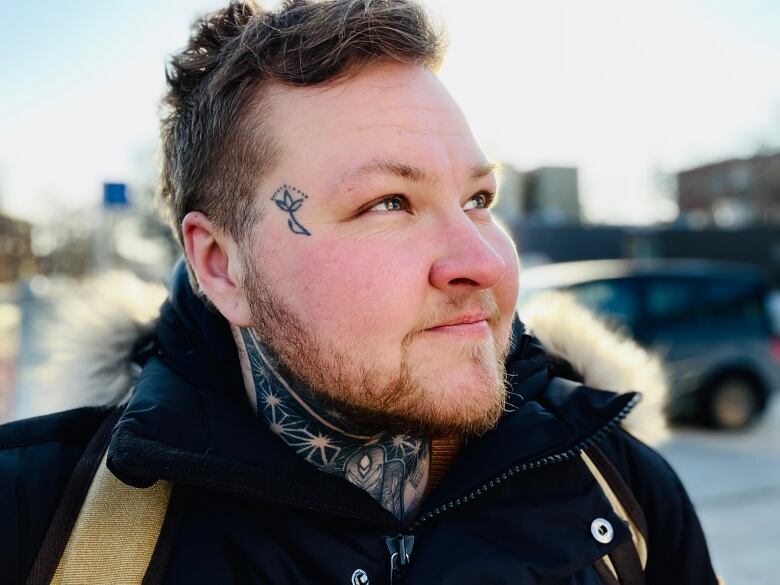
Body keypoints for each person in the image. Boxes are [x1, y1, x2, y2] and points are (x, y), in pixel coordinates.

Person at [1, 1, 720, 583]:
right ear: (221, 265)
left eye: (478, 197)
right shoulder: (40, 523)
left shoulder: (622, 496)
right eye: (388, 203)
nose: (482, 261)